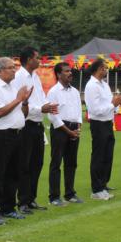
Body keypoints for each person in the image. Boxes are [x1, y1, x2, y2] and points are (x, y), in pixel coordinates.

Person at [0, 57, 31, 225]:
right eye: (10, 68)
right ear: (0, 71)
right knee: (0, 173)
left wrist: (25, 101)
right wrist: (18, 99)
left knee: (14, 173)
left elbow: (23, 113)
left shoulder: (14, 88)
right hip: (2, 135)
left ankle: (9, 207)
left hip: (18, 134)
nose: (14, 70)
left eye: (14, 67)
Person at [14, 47, 57, 214]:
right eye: (37, 58)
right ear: (28, 59)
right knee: (24, 164)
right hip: (26, 125)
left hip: (38, 125)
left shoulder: (35, 77)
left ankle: (31, 198)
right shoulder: (19, 77)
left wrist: (48, 106)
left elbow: (41, 98)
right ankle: (22, 201)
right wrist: (41, 108)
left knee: (36, 163)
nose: (39, 61)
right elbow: (20, 102)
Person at [84, 59, 121, 201]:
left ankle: (103, 184)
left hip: (108, 122)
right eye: (105, 68)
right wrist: (113, 104)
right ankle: (96, 189)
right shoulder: (91, 86)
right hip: (98, 123)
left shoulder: (105, 85)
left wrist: (116, 105)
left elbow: (110, 103)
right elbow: (95, 110)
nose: (106, 70)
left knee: (108, 155)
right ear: (99, 69)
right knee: (98, 156)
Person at [46, 63, 83, 205]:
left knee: (71, 163)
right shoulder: (53, 91)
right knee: (56, 163)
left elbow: (79, 111)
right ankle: (54, 196)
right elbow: (53, 116)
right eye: (66, 71)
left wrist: (78, 127)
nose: (70, 73)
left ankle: (70, 193)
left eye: (70, 71)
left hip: (74, 127)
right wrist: (68, 131)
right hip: (60, 129)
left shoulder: (75, 91)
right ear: (58, 74)